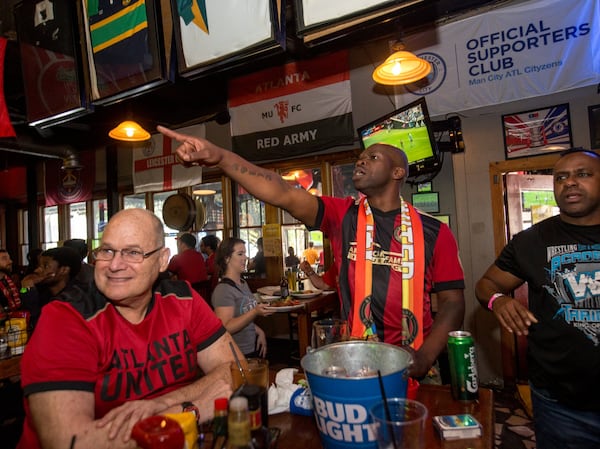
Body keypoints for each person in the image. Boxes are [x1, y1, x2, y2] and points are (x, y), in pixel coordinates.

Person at [158, 126, 465, 380]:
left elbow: (452, 303)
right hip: (356, 359)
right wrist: (221, 157)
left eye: (372, 157)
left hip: (415, 362)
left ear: (398, 172)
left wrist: (424, 358)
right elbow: (282, 192)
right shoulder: (344, 215)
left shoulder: (434, 231)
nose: (361, 162)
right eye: (359, 157)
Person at [17, 208, 238, 449]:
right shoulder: (66, 318)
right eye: (107, 251)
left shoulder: (182, 299)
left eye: (133, 252)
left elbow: (235, 369)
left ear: (163, 260)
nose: (114, 265)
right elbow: (71, 443)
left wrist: (162, 404)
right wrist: (187, 412)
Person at [475, 149, 600, 449]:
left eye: (583, 174)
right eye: (561, 177)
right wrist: (499, 301)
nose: (570, 182)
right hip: (561, 404)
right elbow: (487, 284)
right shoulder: (531, 241)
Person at [211, 238, 274, 358]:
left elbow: (241, 316)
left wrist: (258, 331)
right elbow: (226, 327)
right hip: (237, 354)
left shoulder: (243, 283)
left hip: (251, 348)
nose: (245, 258)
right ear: (226, 258)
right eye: (240, 254)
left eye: (245, 253)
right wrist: (255, 312)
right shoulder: (223, 290)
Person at [19, 246, 82, 329]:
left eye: (46, 266)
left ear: (64, 270)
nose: (37, 270)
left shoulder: (73, 300)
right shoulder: (43, 293)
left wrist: (29, 292)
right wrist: (25, 288)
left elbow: (40, 326)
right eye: (39, 266)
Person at [0, 249, 23, 323]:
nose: (10, 262)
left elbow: (21, 293)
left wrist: (26, 288)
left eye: (9, 258)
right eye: (4, 259)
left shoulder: (9, 280)